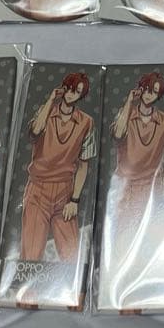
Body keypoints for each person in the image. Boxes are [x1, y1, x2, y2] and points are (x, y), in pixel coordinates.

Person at [108, 71, 164, 313]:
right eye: (147, 90)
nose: (150, 95)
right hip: (125, 188)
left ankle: (145, 297)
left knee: (148, 247)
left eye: (155, 92)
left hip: (151, 189)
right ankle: (121, 298)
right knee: (121, 245)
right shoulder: (126, 116)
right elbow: (117, 134)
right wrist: (129, 103)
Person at [20, 72, 96, 276]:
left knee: (72, 255)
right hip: (38, 188)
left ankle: (75, 293)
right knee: (30, 253)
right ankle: (26, 293)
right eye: (69, 88)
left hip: (65, 190)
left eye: (77, 91)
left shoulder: (87, 122)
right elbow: (35, 132)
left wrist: (74, 200)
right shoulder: (46, 112)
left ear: (81, 95)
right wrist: (50, 101)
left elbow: (84, 165)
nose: (71, 94)